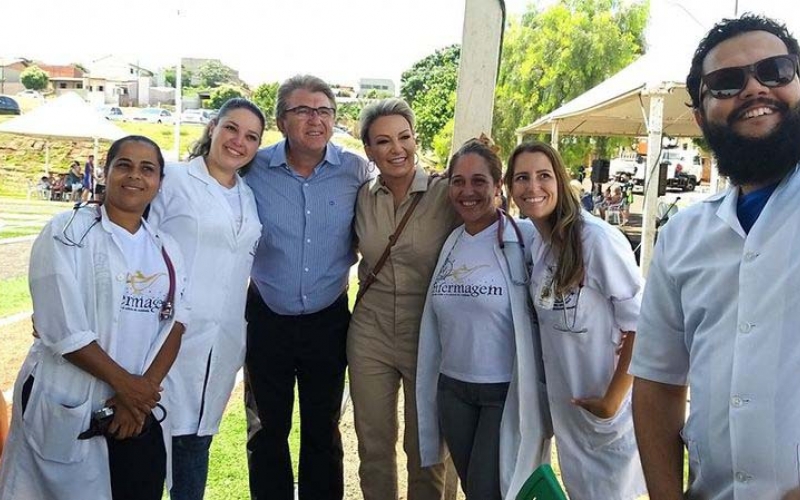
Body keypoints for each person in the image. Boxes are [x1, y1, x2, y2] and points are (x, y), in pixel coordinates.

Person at [630, 14, 800, 500]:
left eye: (776, 71)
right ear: (701, 115)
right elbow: (659, 383)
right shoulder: (683, 235)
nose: (753, 88)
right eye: (726, 82)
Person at [0, 135, 189, 500]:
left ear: (159, 183)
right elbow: (63, 330)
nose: (135, 176)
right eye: (124, 165)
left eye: (147, 169)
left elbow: (177, 323)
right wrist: (131, 389)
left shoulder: (166, 249)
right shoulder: (66, 232)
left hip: (134, 414)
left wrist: (138, 397)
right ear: (106, 172)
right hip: (68, 402)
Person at [243, 74, 371, 500]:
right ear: (281, 121)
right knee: (266, 431)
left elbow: (402, 184)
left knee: (323, 430)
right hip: (266, 318)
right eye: (302, 110)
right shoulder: (252, 167)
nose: (315, 119)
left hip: (328, 321)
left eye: (324, 111)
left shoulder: (355, 170)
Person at [507, 141, 645, 499]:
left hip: (605, 411)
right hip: (569, 412)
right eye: (522, 178)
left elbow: (642, 325)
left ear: (561, 181)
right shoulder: (538, 244)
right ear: (510, 188)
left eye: (543, 176)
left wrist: (611, 401)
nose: (532, 187)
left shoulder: (595, 240)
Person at [416, 139, 551, 500]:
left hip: (501, 393)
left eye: (479, 181)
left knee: (488, 490)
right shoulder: (452, 243)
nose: (467, 191)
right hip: (453, 391)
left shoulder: (524, 240)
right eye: (458, 181)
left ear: (497, 186)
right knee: (471, 486)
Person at [148, 98, 265, 500]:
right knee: (150, 438)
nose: (239, 141)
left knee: (196, 443)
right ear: (213, 127)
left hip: (223, 340)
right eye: (231, 128)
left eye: (251, 136)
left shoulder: (248, 196)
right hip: (164, 334)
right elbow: (135, 242)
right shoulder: (174, 180)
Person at [348, 98, 459, 500]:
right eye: (383, 141)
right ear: (369, 151)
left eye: (404, 137)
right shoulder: (361, 197)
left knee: (428, 445)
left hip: (428, 331)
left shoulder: (446, 193)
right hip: (370, 332)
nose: (397, 148)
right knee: (373, 442)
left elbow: (489, 226)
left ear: (416, 139)